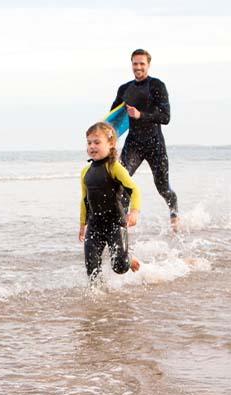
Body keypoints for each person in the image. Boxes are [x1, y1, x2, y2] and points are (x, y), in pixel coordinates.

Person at [111, 48, 179, 229]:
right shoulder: (124, 89)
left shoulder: (157, 86)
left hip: (155, 143)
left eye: (142, 63)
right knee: (121, 184)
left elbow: (165, 117)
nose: (138, 67)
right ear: (131, 64)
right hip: (133, 143)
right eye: (135, 63)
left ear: (148, 65)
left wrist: (140, 114)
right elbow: (113, 121)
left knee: (163, 187)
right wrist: (109, 142)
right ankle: (121, 226)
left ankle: (174, 213)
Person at [79, 121, 141, 280]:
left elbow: (134, 190)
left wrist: (134, 211)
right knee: (91, 267)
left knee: (119, 267)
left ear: (111, 144)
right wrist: (82, 225)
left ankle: (128, 258)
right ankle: (96, 297)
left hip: (115, 223)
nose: (92, 146)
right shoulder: (86, 171)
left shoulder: (114, 167)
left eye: (97, 142)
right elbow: (85, 200)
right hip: (95, 225)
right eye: (89, 142)